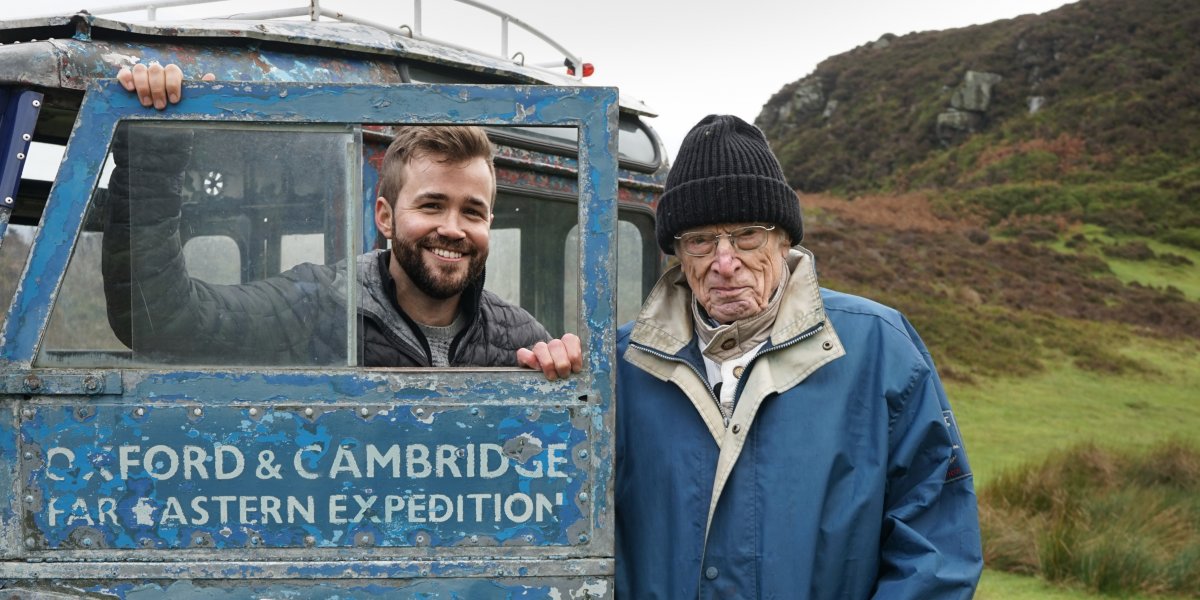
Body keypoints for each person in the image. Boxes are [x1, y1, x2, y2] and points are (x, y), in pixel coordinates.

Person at [615, 115, 983, 598]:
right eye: (701, 240)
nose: (725, 263)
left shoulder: (879, 346)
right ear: (678, 254)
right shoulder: (623, 364)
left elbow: (936, 546)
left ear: (784, 239)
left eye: (747, 235)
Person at [106, 63, 579, 377]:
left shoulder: (518, 339)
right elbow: (161, 321)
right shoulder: (315, 306)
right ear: (386, 216)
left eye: (471, 211)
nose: (453, 228)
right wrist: (154, 145)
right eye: (432, 205)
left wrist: (564, 372)